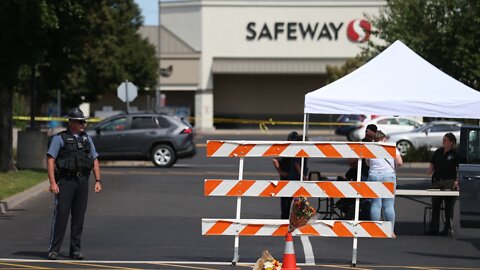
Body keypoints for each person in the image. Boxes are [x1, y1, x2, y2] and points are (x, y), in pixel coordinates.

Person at [46, 108, 102, 260]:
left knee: (79, 217)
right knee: (61, 215)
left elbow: (94, 159)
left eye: (83, 121)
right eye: (79, 121)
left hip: (82, 181)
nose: (83, 124)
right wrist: (52, 182)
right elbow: (51, 159)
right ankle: (54, 249)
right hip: (66, 181)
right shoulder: (60, 138)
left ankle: (75, 250)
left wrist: (98, 180)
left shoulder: (86, 139)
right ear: (71, 122)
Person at [366, 130, 403, 236]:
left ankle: (375, 230)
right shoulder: (391, 148)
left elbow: (367, 162)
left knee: (375, 204)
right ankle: (390, 231)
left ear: (375, 139)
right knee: (389, 205)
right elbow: (400, 162)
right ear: (384, 139)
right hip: (388, 175)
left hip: (374, 175)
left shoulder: (371, 148)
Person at [426, 132, 459, 236]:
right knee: (435, 205)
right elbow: (433, 162)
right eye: (443, 140)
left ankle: (447, 228)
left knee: (448, 207)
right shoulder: (439, 151)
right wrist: (430, 169)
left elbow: (460, 169)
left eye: (445, 140)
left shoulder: (455, 154)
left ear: (451, 142)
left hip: (449, 182)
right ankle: (434, 228)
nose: (443, 142)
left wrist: (457, 181)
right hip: (437, 181)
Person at [273, 131, 298, 219]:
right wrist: (281, 172)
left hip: (292, 178)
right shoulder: (285, 149)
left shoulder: (296, 149)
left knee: (293, 204)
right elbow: (275, 159)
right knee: (286, 205)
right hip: (286, 178)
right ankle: (285, 222)